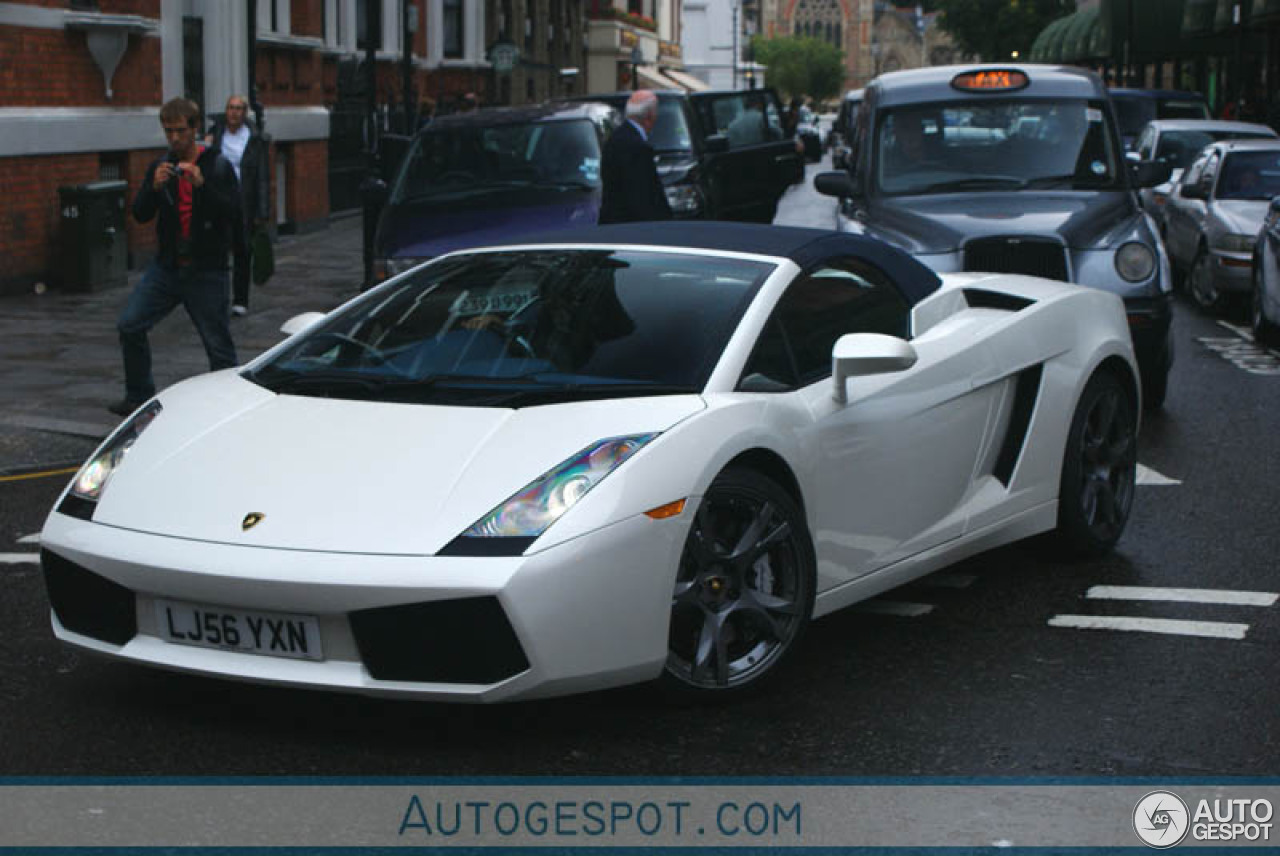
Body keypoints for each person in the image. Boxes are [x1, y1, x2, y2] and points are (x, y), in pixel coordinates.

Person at [111, 97, 239, 416]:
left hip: (206, 271)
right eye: (168, 131)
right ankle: (138, 395)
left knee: (219, 348)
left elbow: (234, 216)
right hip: (167, 269)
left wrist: (202, 186)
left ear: (194, 129)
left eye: (180, 131)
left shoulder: (217, 165)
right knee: (129, 324)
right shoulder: (161, 166)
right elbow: (140, 214)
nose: (174, 139)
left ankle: (232, 408)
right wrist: (153, 189)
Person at [206, 94, 269, 316]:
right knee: (218, 250)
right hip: (219, 199)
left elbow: (262, 176)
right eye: (231, 108)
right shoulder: (216, 134)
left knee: (243, 250)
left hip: (244, 201)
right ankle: (218, 297)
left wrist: (263, 210)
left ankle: (240, 300)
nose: (234, 112)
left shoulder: (254, 138)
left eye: (239, 108)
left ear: (245, 113)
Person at [598, 89, 672, 224]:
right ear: (649, 116)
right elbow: (642, 195)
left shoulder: (615, 138)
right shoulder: (637, 147)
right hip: (631, 226)